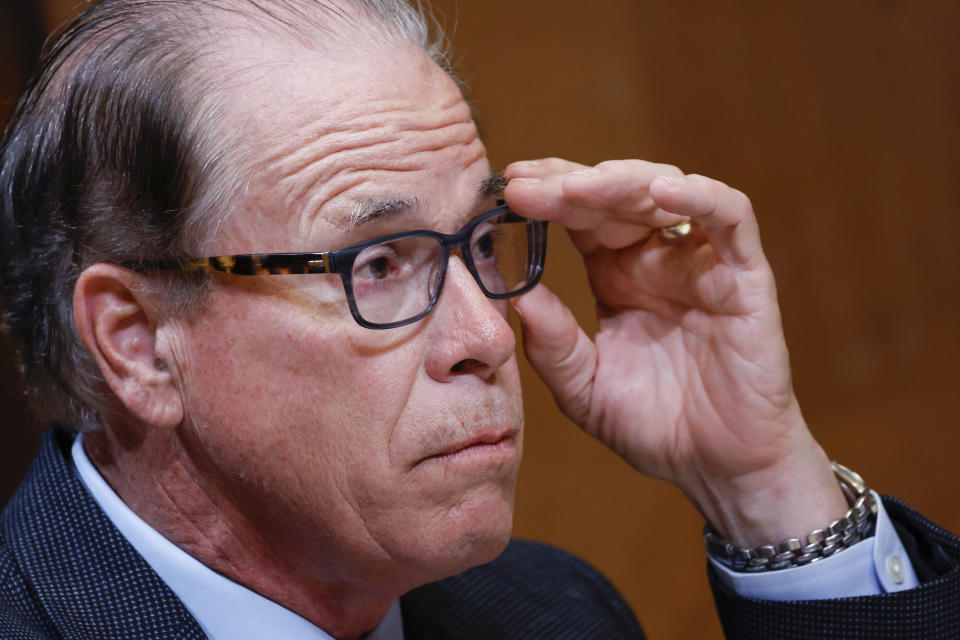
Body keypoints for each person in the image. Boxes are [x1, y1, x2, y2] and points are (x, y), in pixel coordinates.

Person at [0, 0, 957, 638]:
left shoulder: (548, 613)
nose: (489, 339)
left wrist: (761, 488)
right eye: (376, 263)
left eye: (482, 240)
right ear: (138, 343)